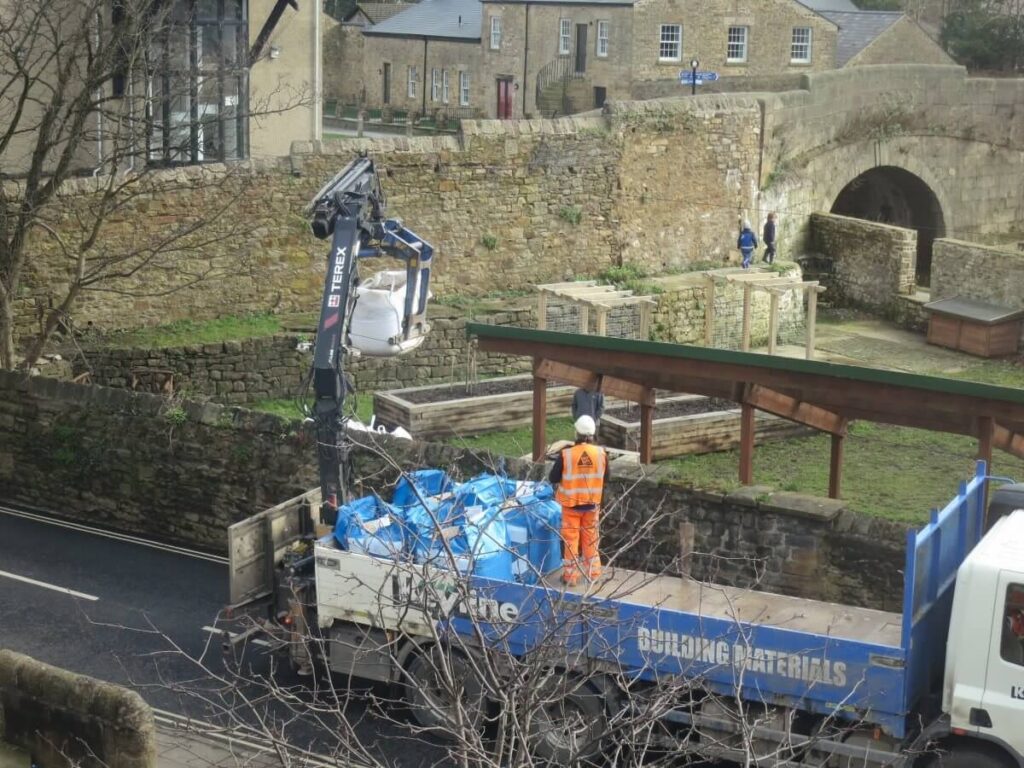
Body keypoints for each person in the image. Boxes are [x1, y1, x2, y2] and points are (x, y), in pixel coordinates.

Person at [549, 415, 609, 586]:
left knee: (571, 541)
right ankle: (593, 574)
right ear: (592, 434)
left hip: (571, 506)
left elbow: (553, 477)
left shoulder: (566, 454)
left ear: (576, 432)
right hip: (591, 506)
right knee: (590, 539)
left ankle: (570, 577)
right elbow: (606, 477)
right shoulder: (601, 454)